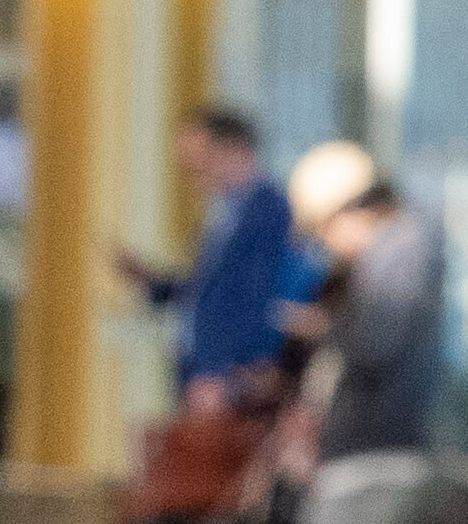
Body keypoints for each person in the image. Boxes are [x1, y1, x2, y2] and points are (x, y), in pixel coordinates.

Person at [125, 104, 311, 402]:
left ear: (233, 150)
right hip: (200, 367)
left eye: (202, 163)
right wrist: (153, 284)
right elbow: (208, 290)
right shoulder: (224, 214)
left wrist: (223, 369)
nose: (195, 176)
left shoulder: (266, 210)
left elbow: (256, 296)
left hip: (228, 375)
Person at [285, 143, 448, 459]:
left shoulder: (402, 253)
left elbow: (374, 344)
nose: (327, 247)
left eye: (324, 232)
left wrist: (323, 326)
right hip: (368, 441)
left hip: (378, 447)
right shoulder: (391, 251)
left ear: (352, 212)